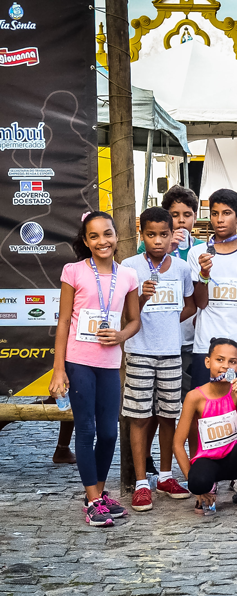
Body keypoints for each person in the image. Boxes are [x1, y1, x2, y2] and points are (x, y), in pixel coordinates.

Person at [48, 211, 141, 526]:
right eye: (95, 236)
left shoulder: (127, 275)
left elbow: (134, 321)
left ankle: (98, 495)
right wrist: (58, 369)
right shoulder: (73, 271)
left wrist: (120, 336)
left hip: (110, 363)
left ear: (117, 236)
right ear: (86, 241)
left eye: (108, 234)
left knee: (109, 433)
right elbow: (62, 322)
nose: (103, 241)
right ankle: (92, 500)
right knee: (86, 429)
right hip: (78, 361)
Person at [122, 207, 197, 511]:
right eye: (150, 235)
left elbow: (191, 305)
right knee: (140, 416)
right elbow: (124, 315)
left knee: (169, 415)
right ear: (142, 235)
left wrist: (169, 322)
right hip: (139, 352)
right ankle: (142, 482)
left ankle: (166, 476)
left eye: (163, 235)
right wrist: (141, 297)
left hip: (170, 351)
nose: (157, 241)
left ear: (171, 235)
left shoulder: (180, 268)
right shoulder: (129, 267)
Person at [137, 185, 204, 479]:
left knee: (187, 407)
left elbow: (196, 298)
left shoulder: (201, 249)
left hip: (190, 341)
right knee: (151, 409)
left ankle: (193, 462)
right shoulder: (149, 249)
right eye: (174, 215)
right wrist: (170, 246)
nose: (180, 221)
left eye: (186, 215)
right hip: (154, 344)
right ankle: (147, 458)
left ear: (195, 217)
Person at [173, 338, 237, 519]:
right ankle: (208, 486)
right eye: (219, 360)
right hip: (208, 461)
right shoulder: (194, 397)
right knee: (198, 482)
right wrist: (193, 484)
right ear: (207, 362)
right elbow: (178, 444)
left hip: (235, 460)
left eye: (232, 362)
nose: (225, 366)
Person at [188, 190, 237, 392]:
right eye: (215, 213)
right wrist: (204, 274)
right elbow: (200, 303)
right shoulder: (197, 253)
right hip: (207, 343)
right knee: (204, 406)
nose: (220, 219)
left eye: (226, 213)